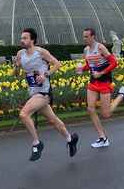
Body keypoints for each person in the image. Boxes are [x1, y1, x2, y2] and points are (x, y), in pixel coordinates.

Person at [14, 28, 78, 161]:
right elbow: (16, 73)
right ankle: (70, 139)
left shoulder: (41, 52)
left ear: (32, 40)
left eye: (25, 38)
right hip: (33, 93)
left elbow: (57, 64)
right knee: (53, 120)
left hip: (43, 92)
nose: (22, 40)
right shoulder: (20, 53)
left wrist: (45, 74)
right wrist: (16, 66)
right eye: (21, 38)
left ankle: (37, 144)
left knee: (24, 114)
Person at [77, 27, 120, 148]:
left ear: (92, 36)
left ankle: (122, 95)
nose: (84, 38)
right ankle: (102, 138)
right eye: (83, 36)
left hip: (105, 82)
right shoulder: (86, 50)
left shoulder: (100, 47)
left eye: (86, 36)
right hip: (93, 83)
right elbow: (89, 65)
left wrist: (101, 73)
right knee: (90, 109)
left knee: (105, 115)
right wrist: (81, 69)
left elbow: (114, 63)